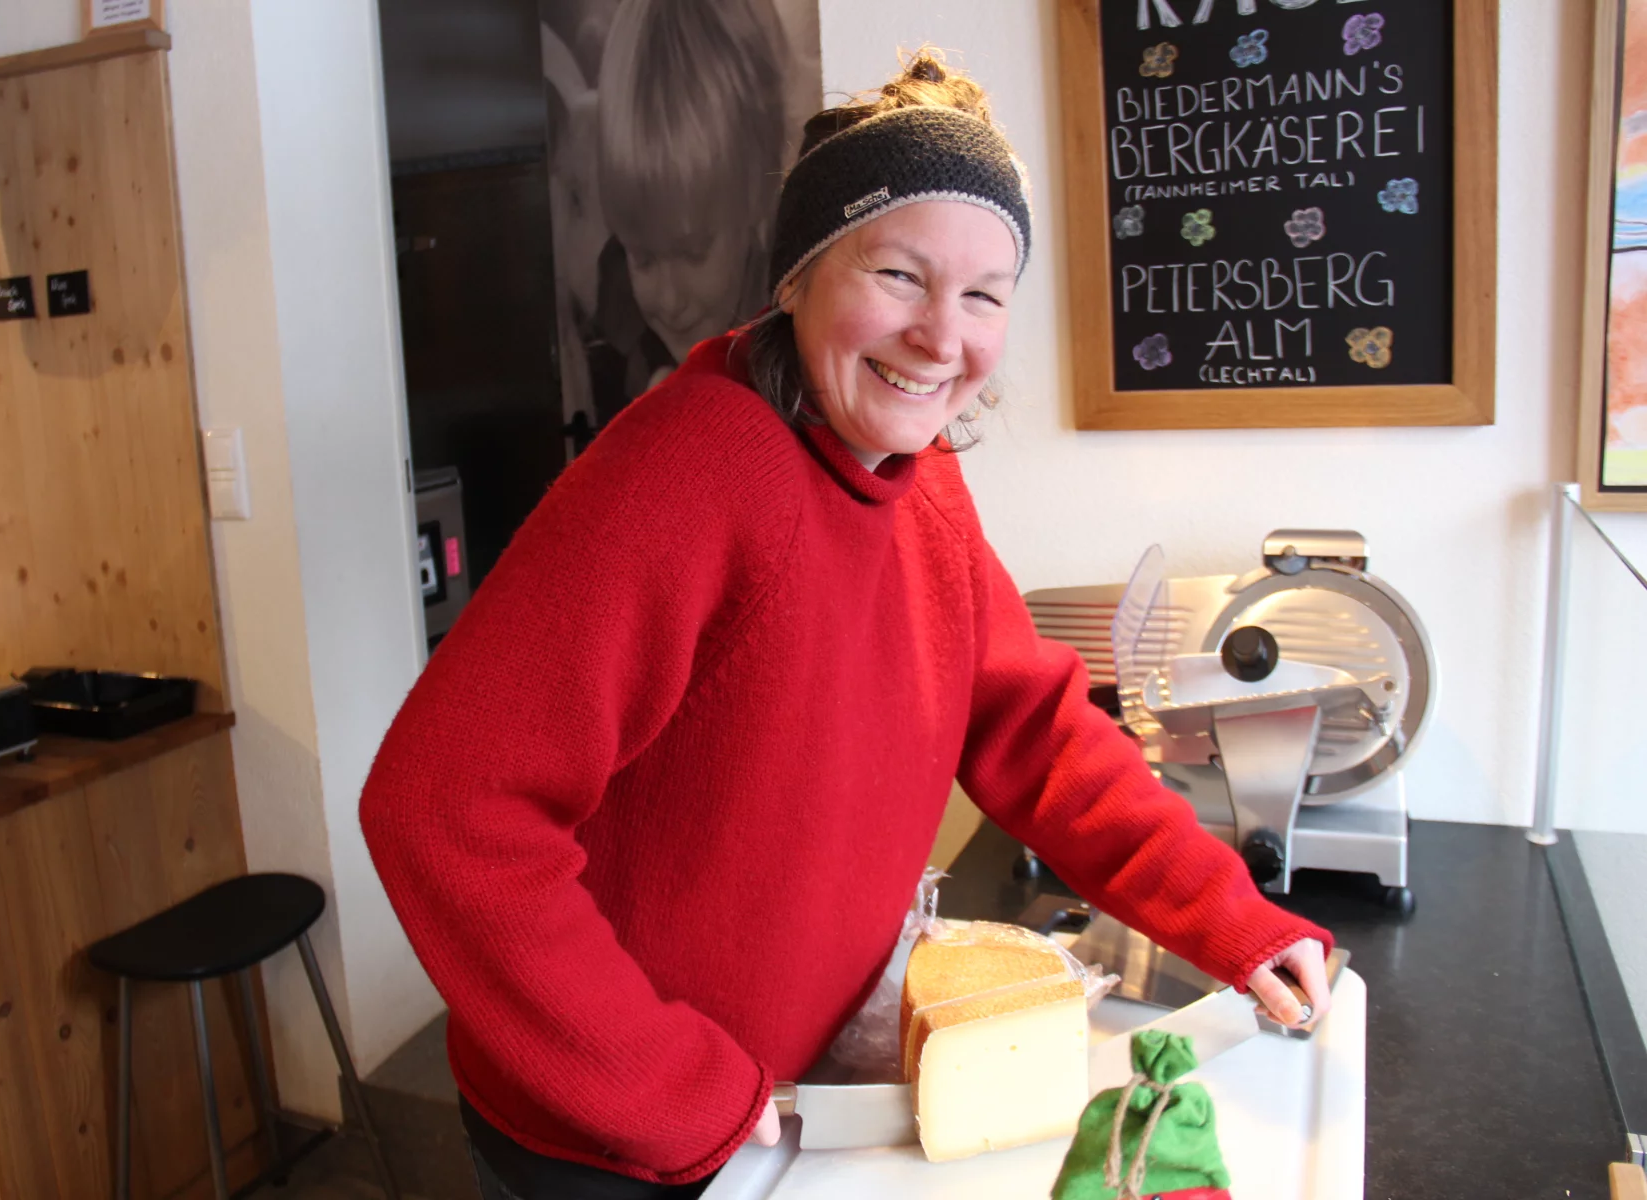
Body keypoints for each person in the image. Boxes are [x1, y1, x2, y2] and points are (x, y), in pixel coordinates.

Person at [360, 51, 1335, 1200]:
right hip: (618, 1139)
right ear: (798, 278)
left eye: (983, 295)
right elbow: (441, 806)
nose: (941, 335)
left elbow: (1036, 732)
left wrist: (1232, 919)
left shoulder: (916, 479)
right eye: (899, 274)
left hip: (773, 1101)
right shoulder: (694, 471)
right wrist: (668, 1089)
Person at [581, 0, 789, 425]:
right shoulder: (620, 326)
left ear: (757, 192)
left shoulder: (798, 341)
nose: (670, 301)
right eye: (643, 257)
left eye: (694, 252)